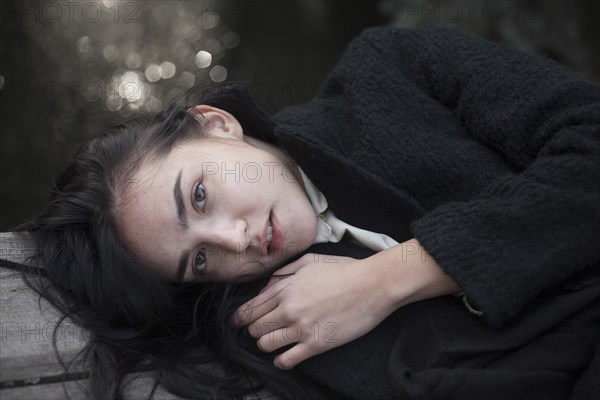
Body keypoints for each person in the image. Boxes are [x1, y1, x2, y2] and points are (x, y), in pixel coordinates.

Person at [6, 26, 599, 399]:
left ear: (216, 125)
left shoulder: (393, 67)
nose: (236, 240)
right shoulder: (279, 324)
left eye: (200, 197)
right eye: (202, 260)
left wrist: (388, 279)